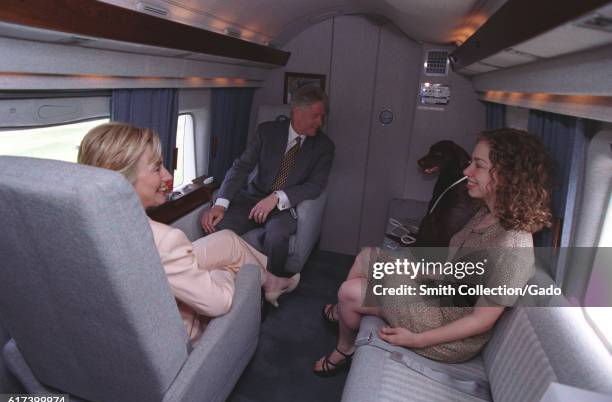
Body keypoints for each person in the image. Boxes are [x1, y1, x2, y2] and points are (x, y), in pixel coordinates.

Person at [313, 128, 552, 376]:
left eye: (478, 165)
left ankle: (345, 348)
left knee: (350, 293)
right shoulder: (487, 214)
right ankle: (345, 313)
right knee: (367, 256)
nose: (466, 171)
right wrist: (415, 271)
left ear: (507, 176)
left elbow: (481, 320)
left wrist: (416, 340)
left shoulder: (512, 246)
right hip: (441, 293)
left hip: (446, 328)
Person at [78, 122, 299, 343]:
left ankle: (271, 283)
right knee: (229, 263)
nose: (167, 175)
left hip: (148, 285)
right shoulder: (164, 240)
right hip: (176, 334)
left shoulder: (82, 226)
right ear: (121, 182)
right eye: (156, 168)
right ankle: (268, 283)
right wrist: (223, 271)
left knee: (228, 240)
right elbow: (219, 302)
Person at [201, 85, 335, 276]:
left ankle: (271, 288)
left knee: (277, 236)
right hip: (251, 199)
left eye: (323, 116)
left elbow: (315, 186)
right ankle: (223, 280)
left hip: (285, 208)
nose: (320, 122)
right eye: (316, 116)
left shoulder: (325, 147)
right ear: (297, 112)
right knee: (215, 225)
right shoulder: (267, 132)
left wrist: (276, 198)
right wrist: (220, 204)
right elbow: (241, 167)